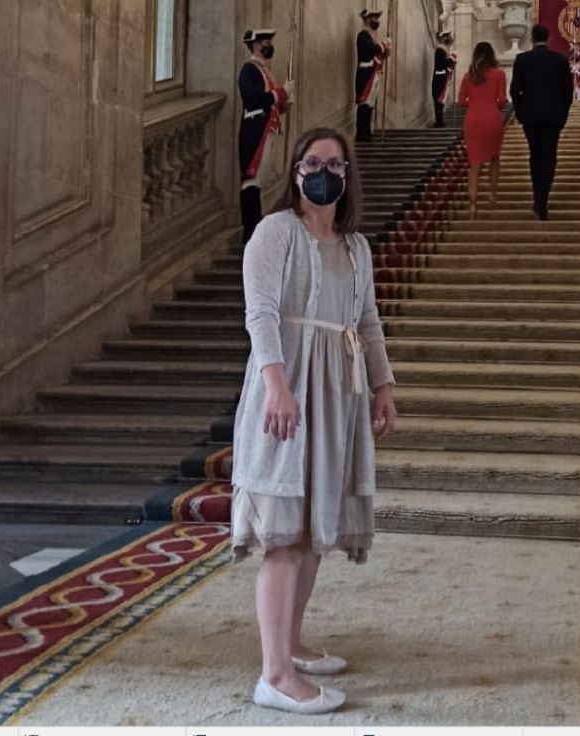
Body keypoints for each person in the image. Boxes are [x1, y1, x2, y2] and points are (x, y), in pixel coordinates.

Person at [232, 128, 398, 713]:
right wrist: (277, 386)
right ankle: (274, 674)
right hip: (290, 388)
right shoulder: (274, 233)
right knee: (285, 534)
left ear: (347, 174)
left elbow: (369, 320)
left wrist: (382, 385)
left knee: (311, 531)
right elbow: (261, 315)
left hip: (337, 392)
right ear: (297, 172)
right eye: (312, 162)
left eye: (334, 163)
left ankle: (292, 645)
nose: (323, 171)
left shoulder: (356, 247)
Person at [510, 24, 573, 220]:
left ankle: (538, 198)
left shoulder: (522, 59)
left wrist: (520, 113)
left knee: (535, 155)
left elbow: (515, 90)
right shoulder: (561, 60)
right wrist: (563, 114)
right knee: (549, 156)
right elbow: (568, 92)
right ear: (549, 38)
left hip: (530, 117)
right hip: (553, 117)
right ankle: (543, 200)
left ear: (531, 38)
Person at [238, 29, 294, 245]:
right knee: (252, 178)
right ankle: (250, 226)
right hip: (254, 130)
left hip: (267, 128)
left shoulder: (266, 72)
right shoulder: (249, 70)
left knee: (259, 178)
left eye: (270, 41)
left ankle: (256, 221)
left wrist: (284, 105)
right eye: (264, 42)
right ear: (255, 45)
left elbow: (270, 104)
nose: (268, 44)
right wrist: (281, 92)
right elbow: (253, 99)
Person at [458, 42, 507, 218]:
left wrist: (476, 103)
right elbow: (502, 100)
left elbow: (462, 101)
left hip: (473, 120)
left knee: (474, 164)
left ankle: (472, 205)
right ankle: (492, 195)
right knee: (494, 158)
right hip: (492, 118)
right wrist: (493, 105)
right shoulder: (499, 74)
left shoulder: (468, 76)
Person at [355, 9, 391, 142]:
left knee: (370, 104)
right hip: (366, 73)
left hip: (373, 73)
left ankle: (367, 132)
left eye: (377, 18)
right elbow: (370, 50)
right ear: (367, 20)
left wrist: (384, 52)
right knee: (364, 102)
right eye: (373, 18)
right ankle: (361, 133)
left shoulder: (372, 37)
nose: (376, 21)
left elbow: (377, 53)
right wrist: (382, 47)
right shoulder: (363, 36)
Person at [433, 31, 457, 127]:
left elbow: (449, 65)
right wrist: (452, 58)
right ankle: (439, 121)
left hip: (442, 76)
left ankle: (440, 120)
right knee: (439, 98)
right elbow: (446, 63)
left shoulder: (444, 51)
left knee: (440, 100)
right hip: (440, 77)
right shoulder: (440, 51)